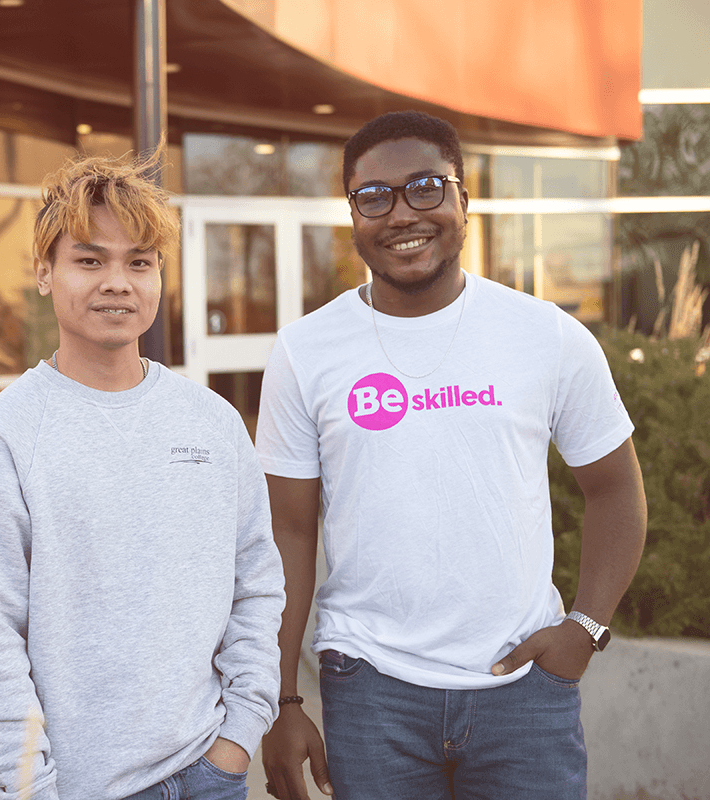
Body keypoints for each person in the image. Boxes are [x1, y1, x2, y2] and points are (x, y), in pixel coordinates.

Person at [255, 110, 647, 800]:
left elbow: (615, 490)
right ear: (353, 214)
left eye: (426, 188)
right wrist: (282, 700)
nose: (402, 212)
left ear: (465, 200)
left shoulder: (545, 337)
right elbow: (287, 531)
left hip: (524, 689)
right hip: (370, 689)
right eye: (374, 196)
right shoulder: (305, 352)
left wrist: (583, 629)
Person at [0, 152, 286, 800]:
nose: (117, 282)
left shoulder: (213, 422)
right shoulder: (1, 440)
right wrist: (29, 789)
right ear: (44, 272)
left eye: (139, 262)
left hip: (212, 769)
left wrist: (240, 736)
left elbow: (256, 582)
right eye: (89, 260)